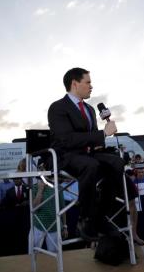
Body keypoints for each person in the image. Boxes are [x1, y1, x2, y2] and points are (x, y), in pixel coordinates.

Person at [48, 67, 127, 242]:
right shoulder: (57, 107)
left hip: (89, 155)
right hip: (67, 156)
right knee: (91, 165)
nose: (91, 86)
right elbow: (66, 139)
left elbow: (93, 138)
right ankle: (85, 219)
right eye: (88, 82)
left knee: (118, 163)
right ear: (75, 84)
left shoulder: (90, 110)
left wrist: (100, 142)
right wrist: (102, 134)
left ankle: (99, 216)